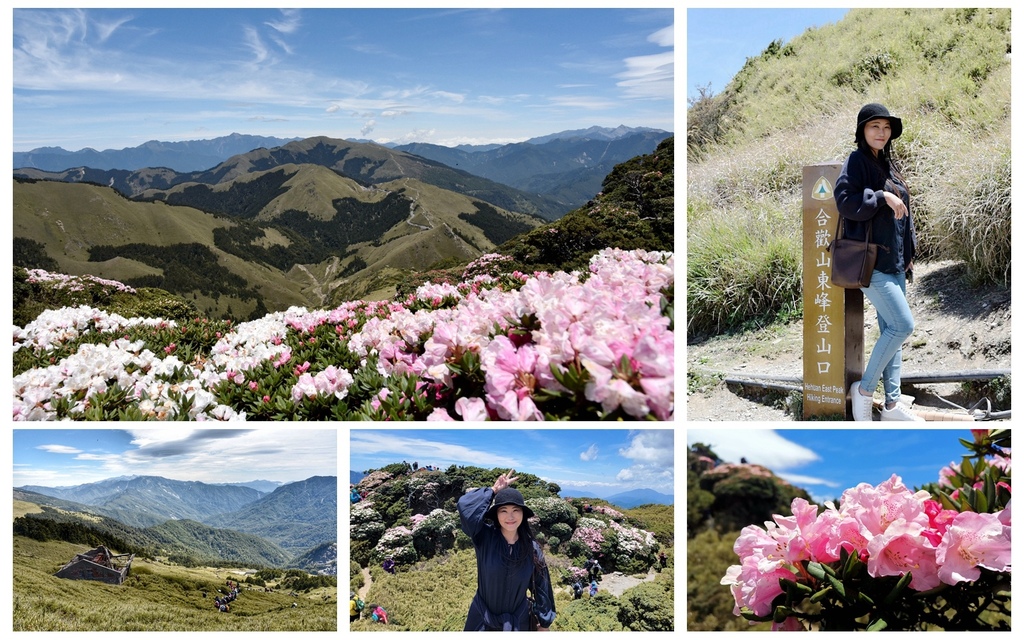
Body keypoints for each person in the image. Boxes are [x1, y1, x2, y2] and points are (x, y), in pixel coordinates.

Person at [834, 103, 923, 422]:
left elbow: (903, 217)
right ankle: (864, 390)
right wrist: (882, 197)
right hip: (870, 263)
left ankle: (892, 405)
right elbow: (844, 201)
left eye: (886, 127)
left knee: (891, 329)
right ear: (862, 131)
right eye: (875, 127)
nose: (881, 133)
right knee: (903, 326)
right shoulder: (857, 161)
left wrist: (908, 256)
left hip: (896, 261)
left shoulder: (888, 164)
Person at [458, 469, 556, 631]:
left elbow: (542, 587)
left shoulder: (532, 549)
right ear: (496, 515)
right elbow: (465, 507)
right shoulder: (484, 538)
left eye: (515, 510)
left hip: (517, 622)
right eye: (503, 511)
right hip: (482, 620)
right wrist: (493, 490)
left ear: (523, 515)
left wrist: (544, 624)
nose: (510, 517)